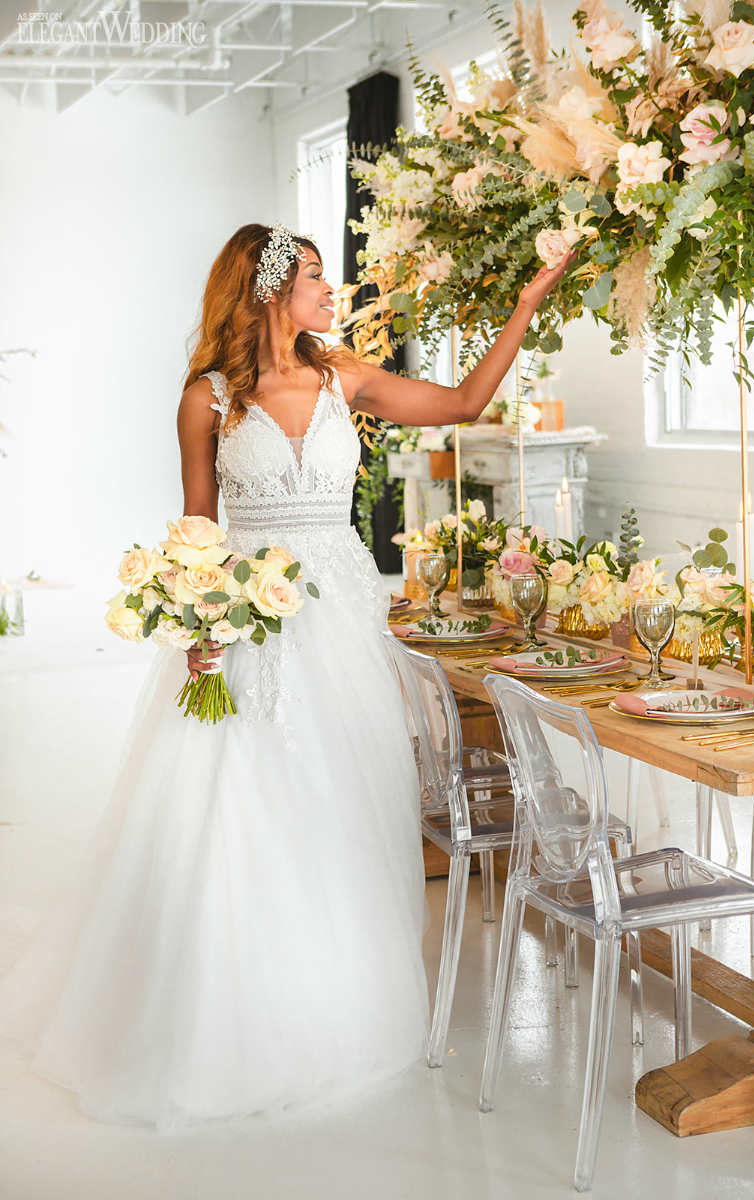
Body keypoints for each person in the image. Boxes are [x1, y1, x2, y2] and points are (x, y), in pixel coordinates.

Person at [0, 223, 574, 1133]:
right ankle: (226, 1019)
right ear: (269, 288)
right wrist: (196, 622)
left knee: (342, 801)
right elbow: (198, 523)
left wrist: (528, 303)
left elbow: (466, 402)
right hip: (250, 624)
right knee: (242, 804)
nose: (329, 290)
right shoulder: (209, 398)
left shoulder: (346, 375)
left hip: (343, 619)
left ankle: (335, 1003)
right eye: (312, 275)